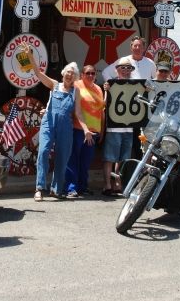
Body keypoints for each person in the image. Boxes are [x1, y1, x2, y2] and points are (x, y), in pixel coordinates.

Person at [19, 41, 90, 202]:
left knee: (63, 156)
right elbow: (38, 73)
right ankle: (39, 188)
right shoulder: (54, 85)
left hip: (66, 127)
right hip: (49, 123)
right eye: (68, 72)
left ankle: (56, 189)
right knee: (43, 152)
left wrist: (86, 129)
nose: (69, 75)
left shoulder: (76, 92)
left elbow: (78, 113)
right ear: (63, 73)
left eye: (72, 73)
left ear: (75, 77)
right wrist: (29, 56)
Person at [64, 65, 104, 198]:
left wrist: (102, 130)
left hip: (94, 131)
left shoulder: (98, 89)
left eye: (93, 73)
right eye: (88, 73)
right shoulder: (76, 85)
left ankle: (82, 187)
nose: (91, 75)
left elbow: (101, 111)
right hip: (78, 129)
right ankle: (71, 188)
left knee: (86, 161)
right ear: (82, 74)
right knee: (73, 159)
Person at [101, 57, 135, 196]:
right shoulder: (111, 84)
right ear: (117, 70)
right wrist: (106, 90)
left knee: (123, 158)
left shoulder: (135, 85)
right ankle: (107, 185)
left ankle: (117, 182)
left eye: (128, 68)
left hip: (129, 127)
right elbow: (104, 104)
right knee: (110, 157)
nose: (126, 70)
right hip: (114, 127)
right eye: (123, 68)